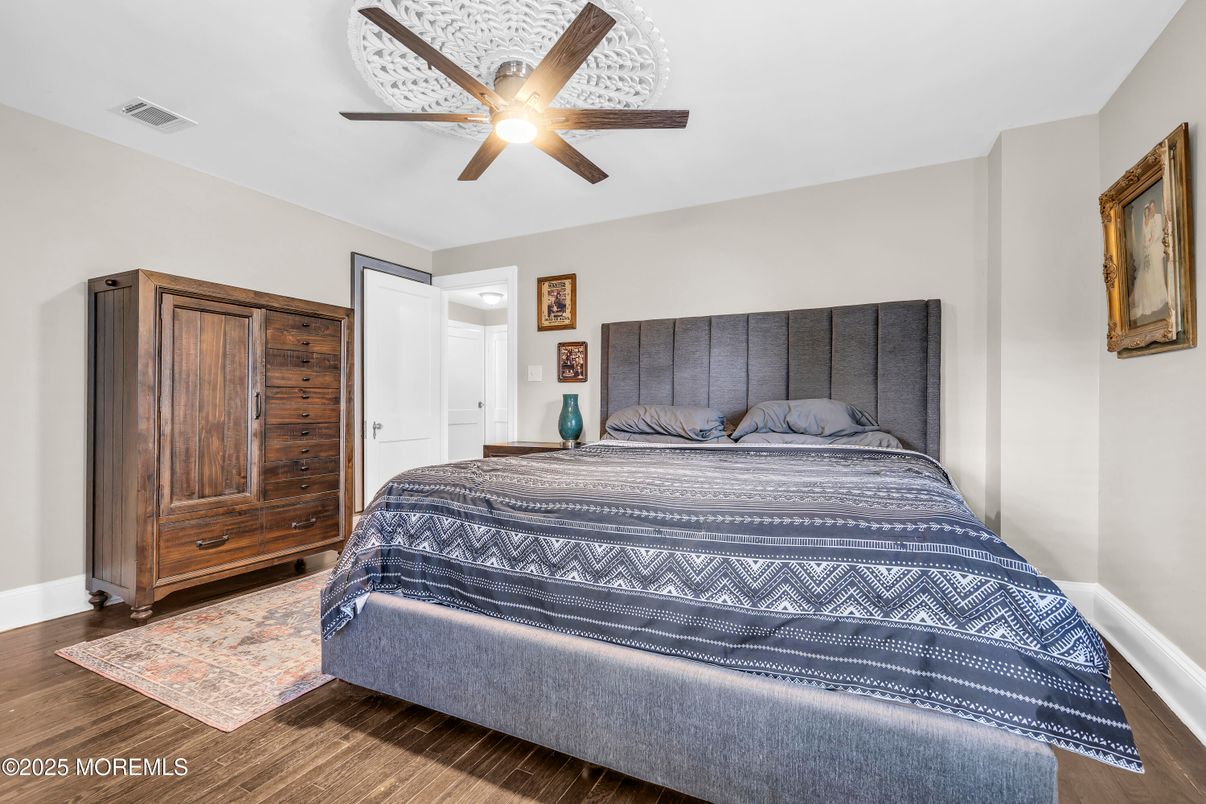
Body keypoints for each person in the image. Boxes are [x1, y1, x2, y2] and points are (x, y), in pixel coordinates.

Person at [1130, 199, 1169, 324]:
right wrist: (1148, 244)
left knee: (1155, 270)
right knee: (1149, 273)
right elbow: (1146, 238)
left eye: (1152, 209)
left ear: (1154, 208)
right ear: (1145, 213)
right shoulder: (1146, 222)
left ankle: (1160, 294)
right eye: (1147, 212)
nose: (1150, 212)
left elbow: (1158, 233)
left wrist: (1152, 241)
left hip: (1156, 247)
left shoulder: (1157, 218)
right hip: (1150, 249)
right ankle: (1151, 298)